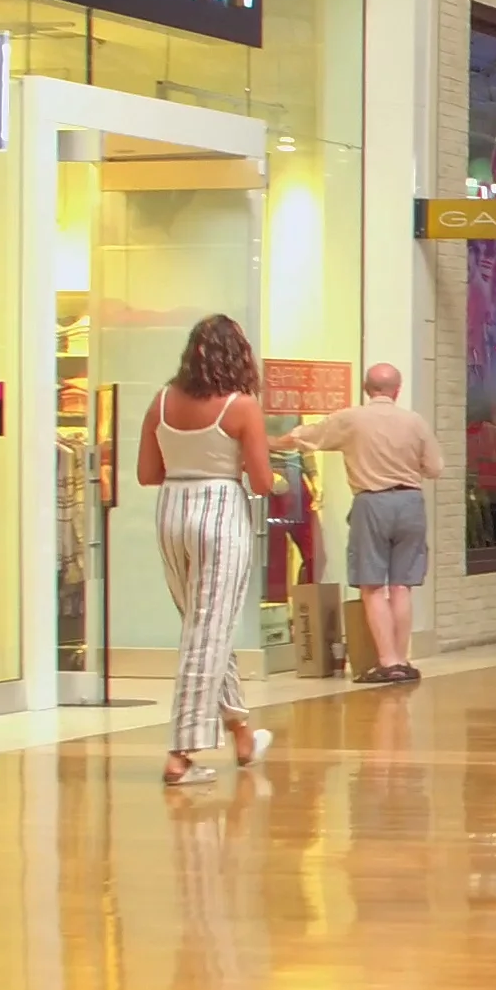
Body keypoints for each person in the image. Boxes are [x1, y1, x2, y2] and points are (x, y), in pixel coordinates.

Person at [137, 314, 278, 787]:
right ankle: (181, 753)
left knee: (203, 625)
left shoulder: (160, 401)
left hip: (172, 509)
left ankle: (241, 731)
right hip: (220, 508)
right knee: (208, 630)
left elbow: (146, 473)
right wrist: (260, 468)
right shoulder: (241, 407)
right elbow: (261, 481)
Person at [291, 361, 443, 685]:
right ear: (397, 390)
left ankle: (386, 662)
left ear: (365, 388)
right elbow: (434, 468)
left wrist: (269, 442)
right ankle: (403, 660)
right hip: (411, 503)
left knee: (372, 585)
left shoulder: (351, 418)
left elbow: (310, 437)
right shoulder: (415, 422)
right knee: (402, 585)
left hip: (371, 502)